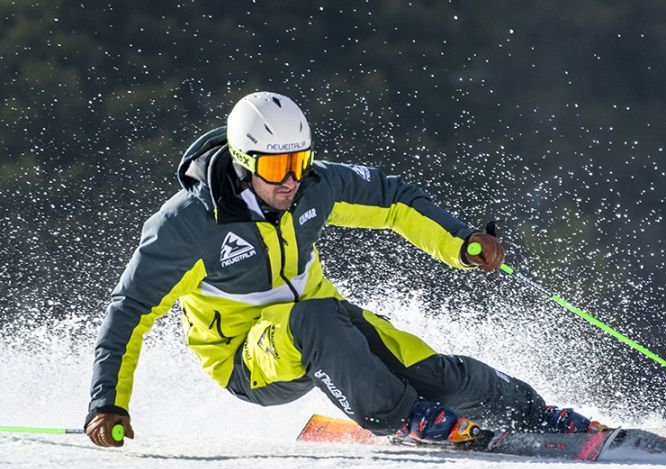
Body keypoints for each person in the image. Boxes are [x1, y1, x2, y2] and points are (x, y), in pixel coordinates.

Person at [85, 91, 605, 448]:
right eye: (275, 167)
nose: (290, 181)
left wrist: (462, 244)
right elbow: (130, 309)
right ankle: (405, 417)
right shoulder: (189, 224)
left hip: (327, 326)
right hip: (248, 359)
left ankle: (537, 415)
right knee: (313, 319)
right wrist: (107, 403)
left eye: (299, 162)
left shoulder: (313, 186)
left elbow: (393, 200)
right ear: (244, 162)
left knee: (433, 372)